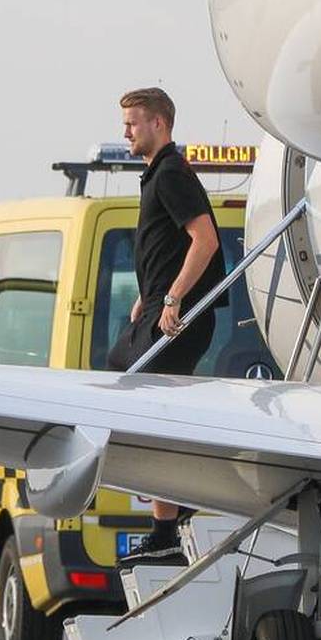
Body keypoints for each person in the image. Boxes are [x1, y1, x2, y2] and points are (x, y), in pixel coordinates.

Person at [106, 87, 226, 568]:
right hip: (157, 305)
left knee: (145, 411)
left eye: (133, 122)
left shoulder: (173, 173)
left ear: (159, 123)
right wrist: (146, 294)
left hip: (178, 316)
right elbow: (166, 245)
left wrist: (173, 297)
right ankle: (174, 515)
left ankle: (168, 526)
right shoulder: (158, 175)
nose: (126, 131)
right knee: (123, 377)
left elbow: (206, 240)